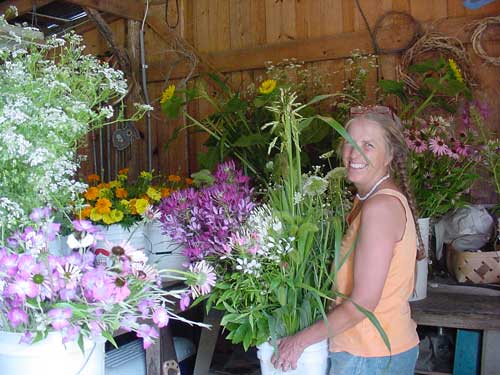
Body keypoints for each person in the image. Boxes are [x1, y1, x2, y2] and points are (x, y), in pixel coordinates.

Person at [271, 106, 424, 374]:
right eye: (349, 142)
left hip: (369, 355)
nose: (354, 154)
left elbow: (363, 303)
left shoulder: (380, 208)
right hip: (374, 350)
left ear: (389, 155)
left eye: (368, 145)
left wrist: (299, 341)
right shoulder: (369, 200)